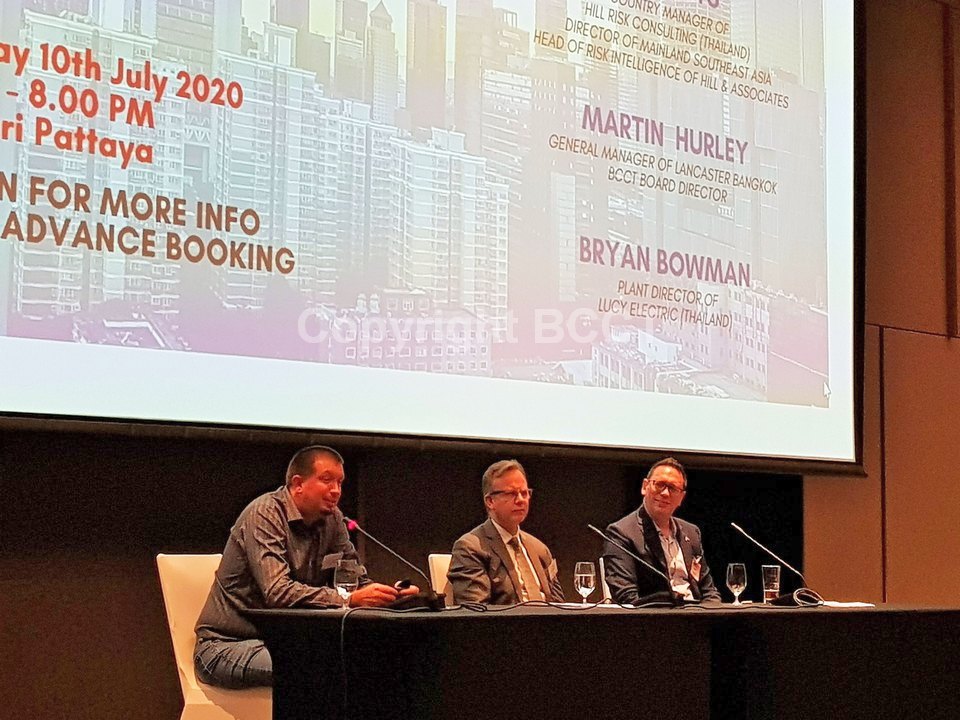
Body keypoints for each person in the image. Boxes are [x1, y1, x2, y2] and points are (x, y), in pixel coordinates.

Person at [193, 445, 417, 688]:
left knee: (379, 659)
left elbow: (358, 582)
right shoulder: (265, 514)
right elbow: (278, 592)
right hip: (226, 646)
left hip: (288, 643)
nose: (336, 490)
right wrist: (348, 599)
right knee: (322, 668)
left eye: (340, 482)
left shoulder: (334, 519)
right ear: (298, 484)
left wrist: (389, 596)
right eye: (327, 480)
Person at [602, 457, 720, 605]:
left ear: (681, 497)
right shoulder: (621, 532)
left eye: (673, 488)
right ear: (645, 487)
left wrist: (713, 612)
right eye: (659, 485)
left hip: (697, 614)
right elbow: (626, 597)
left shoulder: (691, 532)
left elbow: (709, 591)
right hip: (655, 615)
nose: (665, 493)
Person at [448, 459, 564, 605]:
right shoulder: (470, 548)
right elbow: (477, 611)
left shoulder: (540, 549)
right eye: (511, 493)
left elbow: (560, 605)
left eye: (524, 493)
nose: (521, 500)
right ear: (490, 501)